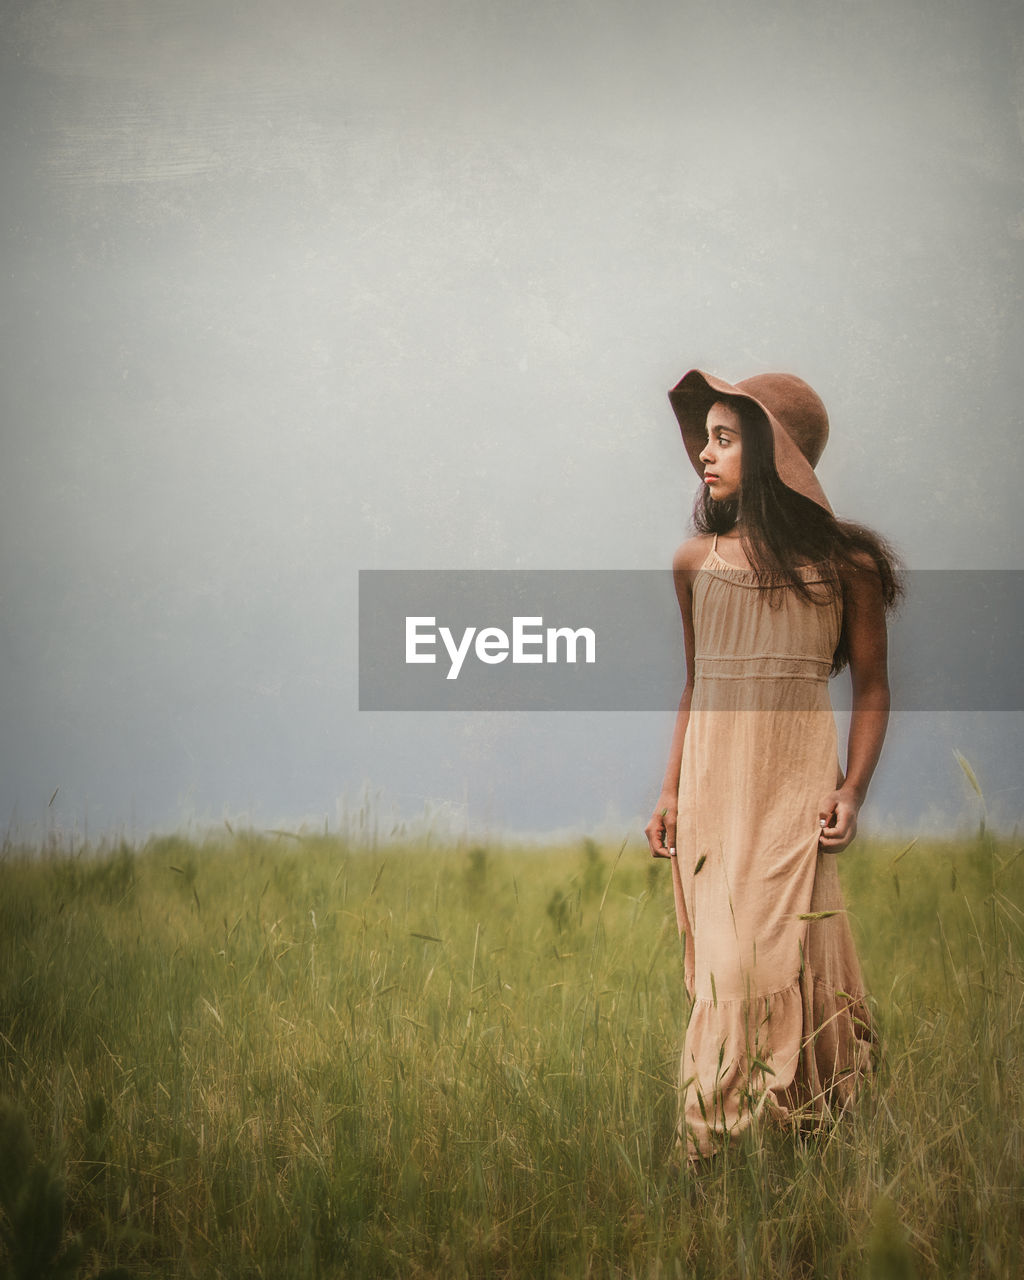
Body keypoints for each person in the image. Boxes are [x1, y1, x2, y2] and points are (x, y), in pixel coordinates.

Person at [644, 368, 902, 1161]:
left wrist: (852, 791)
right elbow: (697, 684)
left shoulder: (846, 566)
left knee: (794, 956)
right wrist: (669, 794)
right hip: (714, 800)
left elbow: (874, 689)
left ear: (772, 454)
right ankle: (708, 1159)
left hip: (796, 796)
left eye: (724, 440)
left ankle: (810, 1139)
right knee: (728, 967)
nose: (704, 458)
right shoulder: (696, 561)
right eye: (706, 440)